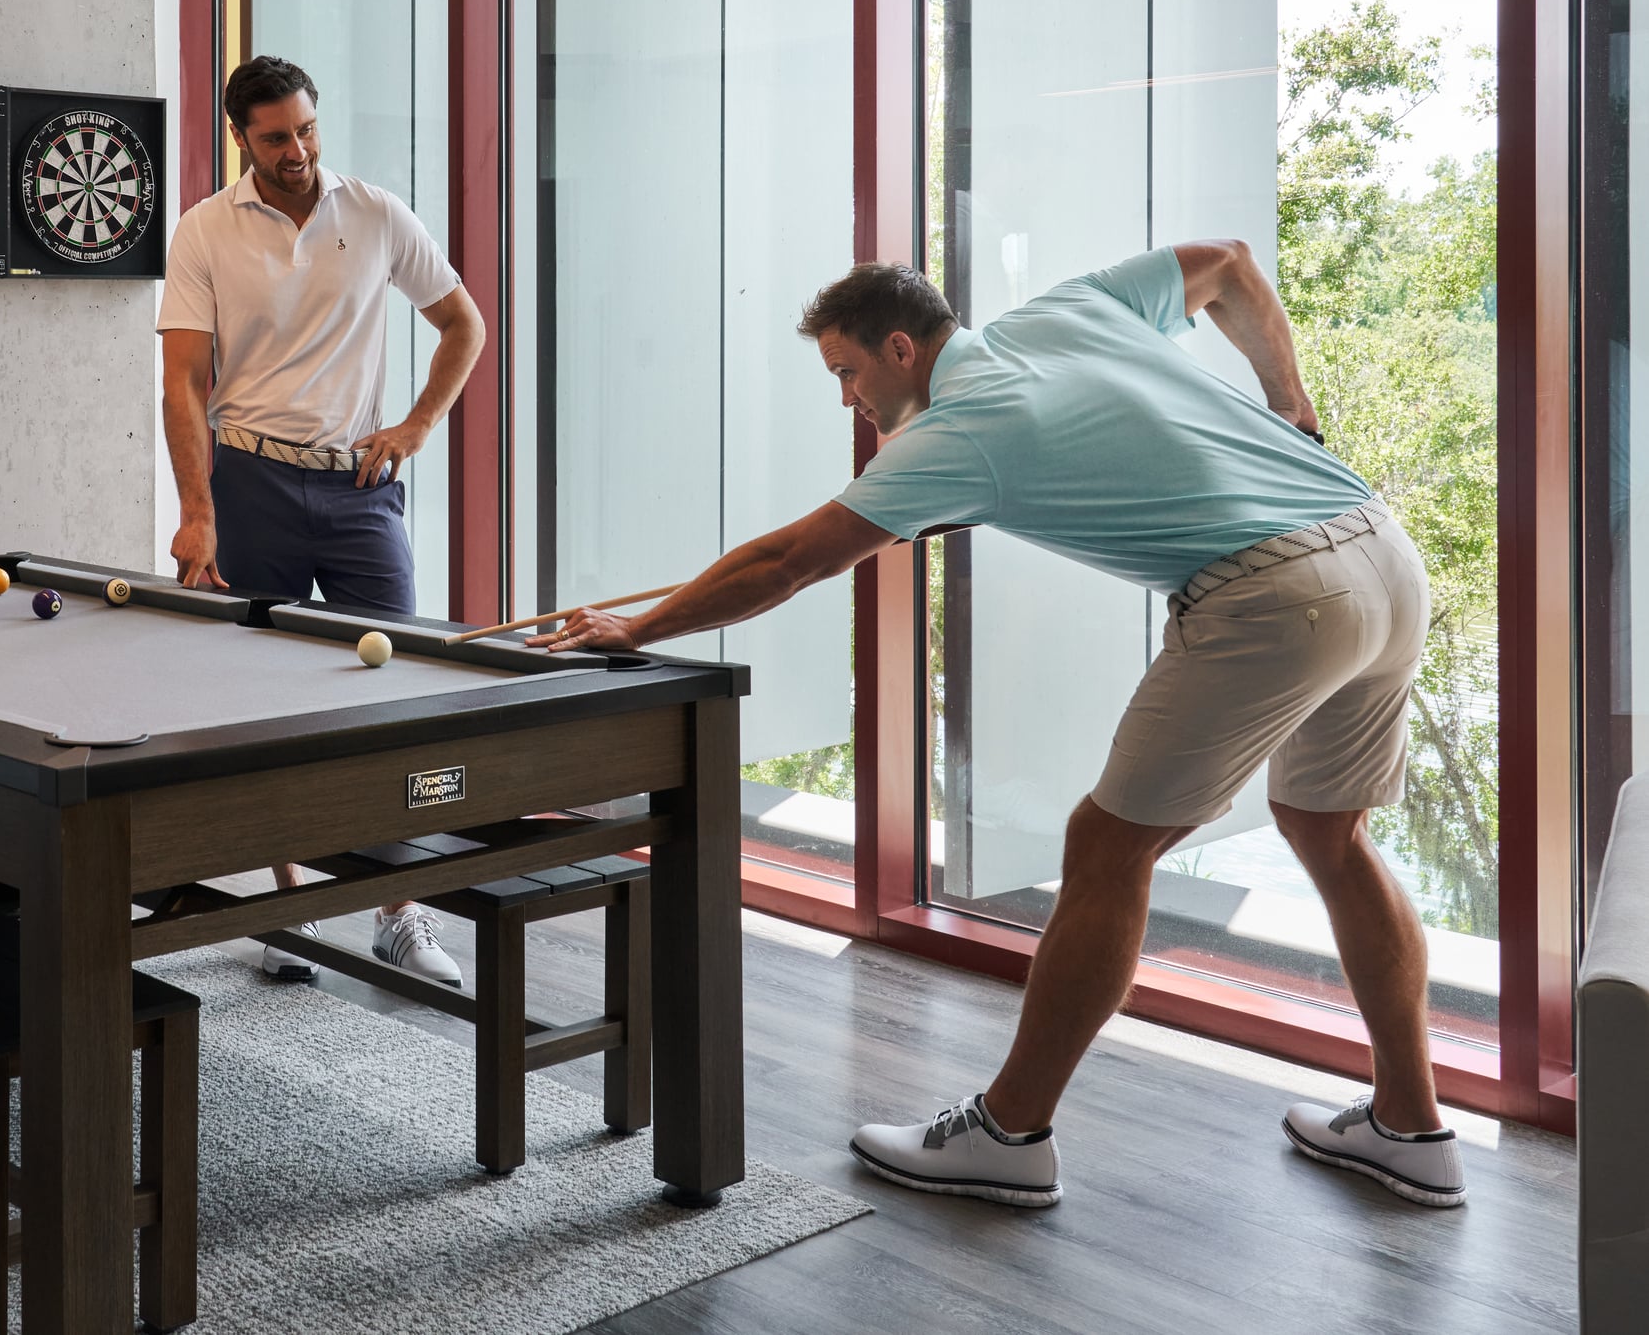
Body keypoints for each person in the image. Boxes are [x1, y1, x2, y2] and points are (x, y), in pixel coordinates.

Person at [532, 244, 1463, 1211]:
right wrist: (1292, 407)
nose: (845, 396)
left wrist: (636, 627)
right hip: (1381, 555)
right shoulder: (1065, 314)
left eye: (847, 371)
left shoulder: (960, 431)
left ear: (900, 348)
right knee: (1328, 829)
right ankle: (1412, 1124)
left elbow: (789, 560)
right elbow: (1226, 264)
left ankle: (1010, 1134)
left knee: (1106, 847)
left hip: (1279, 598)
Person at [157, 54, 489, 987]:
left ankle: (397, 911)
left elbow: (465, 324)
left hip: (360, 490)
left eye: (306, 129)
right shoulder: (203, 232)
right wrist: (196, 511)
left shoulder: (377, 213)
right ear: (240, 138)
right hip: (249, 480)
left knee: (388, 698)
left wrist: (418, 423)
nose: (298, 150)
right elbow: (184, 381)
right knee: (264, 707)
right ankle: (286, 909)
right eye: (276, 137)